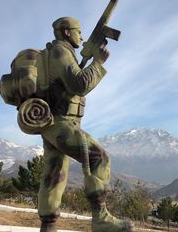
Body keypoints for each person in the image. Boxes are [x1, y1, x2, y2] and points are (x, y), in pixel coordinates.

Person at [38, 17, 134, 232]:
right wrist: (97, 63)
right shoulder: (60, 52)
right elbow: (79, 84)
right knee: (98, 157)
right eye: (78, 31)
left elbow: (66, 85)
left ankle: (48, 226)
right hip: (61, 122)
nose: (81, 36)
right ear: (65, 32)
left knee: (54, 176)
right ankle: (100, 218)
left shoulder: (49, 55)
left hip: (50, 124)